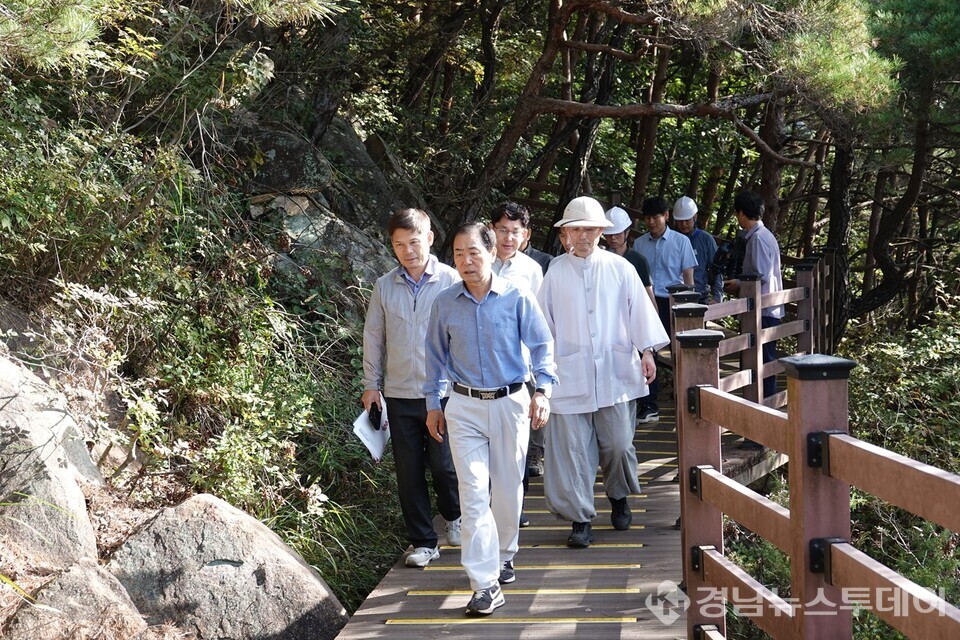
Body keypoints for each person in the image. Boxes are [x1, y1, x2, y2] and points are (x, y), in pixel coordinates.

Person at [424, 222, 557, 616]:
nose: (466, 261)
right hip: (463, 406)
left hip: (510, 401)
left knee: (508, 488)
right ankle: (484, 583)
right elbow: (434, 357)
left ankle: (504, 554)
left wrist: (543, 391)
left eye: (474, 252)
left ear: (492, 252)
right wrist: (433, 403)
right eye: (459, 254)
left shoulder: (517, 296)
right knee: (472, 492)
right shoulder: (445, 303)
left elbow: (542, 345)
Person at [538, 196, 669, 549]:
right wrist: (541, 372)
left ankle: (618, 495)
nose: (583, 236)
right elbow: (543, 326)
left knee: (618, 445)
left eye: (591, 229)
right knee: (573, 452)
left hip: (615, 372)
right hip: (568, 375)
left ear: (601, 232)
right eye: (576, 229)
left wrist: (647, 351)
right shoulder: (555, 272)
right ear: (566, 233)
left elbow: (639, 312)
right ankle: (580, 519)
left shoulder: (620, 268)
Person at [361, 208, 462, 569]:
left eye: (414, 242)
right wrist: (371, 385)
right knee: (408, 471)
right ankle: (423, 542)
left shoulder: (451, 279)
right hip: (399, 392)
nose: (408, 251)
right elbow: (374, 337)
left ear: (430, 239)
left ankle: (454, 514)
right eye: (399, 244)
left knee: (445, 465)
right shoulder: (385, 285)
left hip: (444, 393)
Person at [489, 202, 547, 518]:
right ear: (491, 230)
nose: (508, 238)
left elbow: (541, 323)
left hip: (519, 368)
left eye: (515, 232)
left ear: (525, 235)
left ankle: (516, 506)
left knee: (516, 444)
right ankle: (489, 506)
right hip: (481, 368)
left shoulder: (532, 270)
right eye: (502, 230)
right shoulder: (477, 262)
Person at [631, 196, 697, 423]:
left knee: (680, 352)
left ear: (666, 216)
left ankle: (686, 398)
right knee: (647, 351)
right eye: (647, 218)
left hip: (673, 303)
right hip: (646, 303)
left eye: (656, 217)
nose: (651, 222)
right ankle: (649, 405)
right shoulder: (639, 244)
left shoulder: (681, 241)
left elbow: (688, 278)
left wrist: (689, 306)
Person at [724, 190, 784, 412]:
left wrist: (738, 283)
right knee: (765, 362)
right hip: (770, 308)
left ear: (741, 213)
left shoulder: (757, 238)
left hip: (763, 310)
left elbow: (760, 276)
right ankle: (764, 409)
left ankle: (763, 411)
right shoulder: (765, 235)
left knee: (761, 363)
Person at [672, 196, 722, 305]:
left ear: (695, 217)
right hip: (674, 296)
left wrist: (717, 297)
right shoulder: (671, 239)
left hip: (701, 297)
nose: (684, 224)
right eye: (680, 221)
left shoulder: (706, 239)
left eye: (687, 220)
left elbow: (716, 269)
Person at [603, 206, 655, 307]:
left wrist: (655, 314)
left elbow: (648, 294)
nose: (613, 238)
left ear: (627, 232)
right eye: (609, 235)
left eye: (617, 234)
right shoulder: (601, 260)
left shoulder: (639, 261)